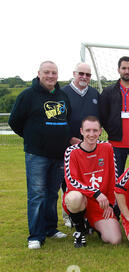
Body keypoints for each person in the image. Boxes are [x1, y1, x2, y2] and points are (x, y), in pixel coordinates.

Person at [8, 61, 71, 249]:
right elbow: (14, 122)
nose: (50, 76)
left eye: (54, 72)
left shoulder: (62, 96)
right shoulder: (27, 95)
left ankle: (51, 229)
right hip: (37, 155)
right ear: (39, 73)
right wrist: (33, 138)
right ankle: (36, 235)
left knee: (52, 194)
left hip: (59, 155)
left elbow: (66, 119)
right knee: (37, 194)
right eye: (47, 72)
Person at [63, 116, 122, 248]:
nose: (91, 134)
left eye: (95, 130)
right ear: (81, 131)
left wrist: (111, 204)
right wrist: (95, 192)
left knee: (115, 239)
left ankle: (92, 224)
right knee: (74, 197)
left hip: (101, 204)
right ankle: (80, 230)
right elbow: (71, 181)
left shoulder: (107, 147)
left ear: (100, 131)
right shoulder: (71, 151)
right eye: (87, 130)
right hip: (82, 200)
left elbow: (114, 177)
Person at [61, 62, 100, 227]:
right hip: (69, 144)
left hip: (90, 145)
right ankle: (69, 213)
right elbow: (58, 120)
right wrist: (70, 138)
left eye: (88, 75)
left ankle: (87, 214)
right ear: (74, 73)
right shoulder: (62, 93)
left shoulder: (94, 93)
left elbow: (99, 118)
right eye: (81, 74)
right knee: (68, 179)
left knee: (89, 177)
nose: (84, 77)